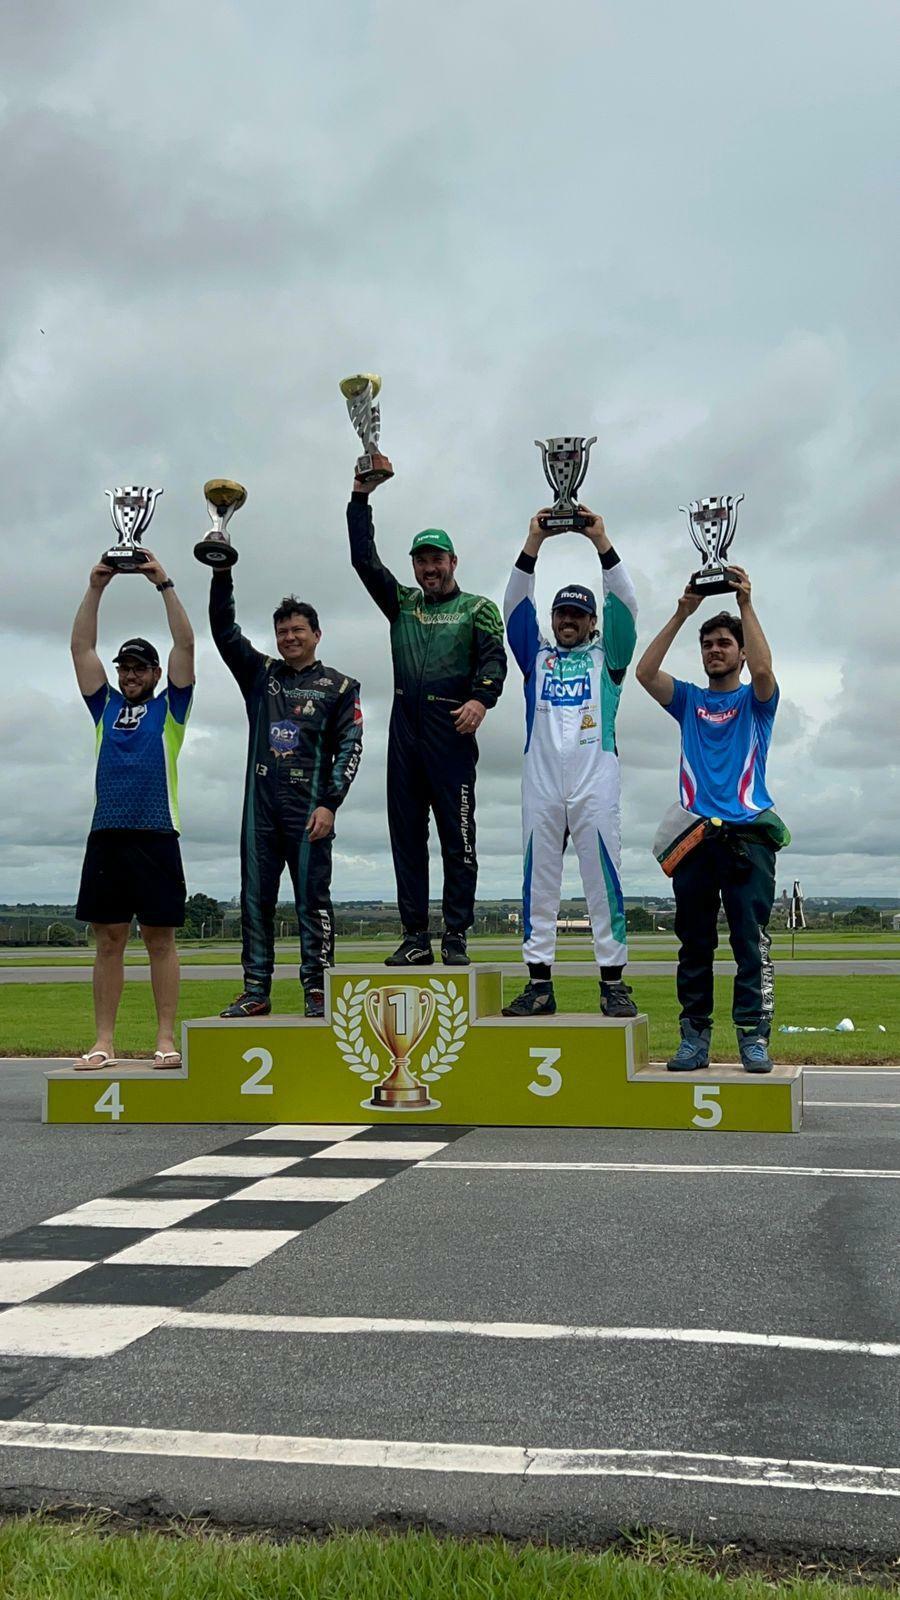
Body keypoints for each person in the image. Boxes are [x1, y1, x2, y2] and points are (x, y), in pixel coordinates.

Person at [348, 475, 507, 966]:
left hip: (451, 729)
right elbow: (363, 560)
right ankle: (415, 936)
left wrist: (482, 699)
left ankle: (455, 933)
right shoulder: (402, 604)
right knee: (407, 840)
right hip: (405, 732)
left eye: (437, 559)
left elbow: (494, 660)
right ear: (414, 566)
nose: (429, 568)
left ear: (453, 562)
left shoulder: (477, 608)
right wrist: (360, 498)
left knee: (458, 838)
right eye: (421, 560)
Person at [635, 569, 788, 1072]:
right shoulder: (689, 701)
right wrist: (683, 611)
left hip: (749, 836)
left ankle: (753, 1037)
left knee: (750, 943)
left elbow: (764, 672)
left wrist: (746, 604)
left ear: (740, 652)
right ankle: (694, 1037)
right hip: (695, 837)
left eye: (724, 643)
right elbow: (645, 673)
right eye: (708, 644)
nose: (715, 650)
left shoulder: (756, 702)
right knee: (695, 944)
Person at [502, 507, 639, 1017]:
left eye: (578, 615)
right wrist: (532, 542)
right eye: (561, 613)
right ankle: (539, 984)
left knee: (603, 880)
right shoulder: (535, 658)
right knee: (539, 882)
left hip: (594, 782)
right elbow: (515, 605)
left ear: (592, 622)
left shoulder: (609, 658)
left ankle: (613, 983)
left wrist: (601, 541)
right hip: (541, 783)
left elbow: (626, 604)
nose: (567, 621)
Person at [211, 573, 362, 1018]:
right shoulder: (260, 675)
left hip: (309, 811)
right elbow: (223, 630)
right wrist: (222, 573)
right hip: (260, 811)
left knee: (312, 902)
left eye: (298, 630)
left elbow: (351, 746)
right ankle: (255, 989)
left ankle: (318, 989)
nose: (289, 637)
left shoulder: (340, 686)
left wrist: (330, 802)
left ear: (317, 634)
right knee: (254, 901)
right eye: (282, 631)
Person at [70, 552, 194, 1070]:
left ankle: (165, 1039)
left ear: (156, 673)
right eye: (125, 667)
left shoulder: (172, 707)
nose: (130, 674)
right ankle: (104, 1041)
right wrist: (95, 587)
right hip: (107, 835)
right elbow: (81, 648)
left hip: (157, 833)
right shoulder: (105, 706)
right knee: (109, 941)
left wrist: (163, 583)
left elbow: (185, 645)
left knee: (160, 940)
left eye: (140, 667)